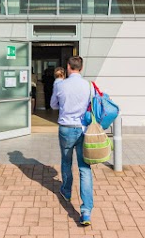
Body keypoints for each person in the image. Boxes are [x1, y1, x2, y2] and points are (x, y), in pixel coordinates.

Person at [50, 56, 93, 226]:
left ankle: (66, 191)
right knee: (85, 168)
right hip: (83, 130)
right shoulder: (89, 86)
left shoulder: (60, 85)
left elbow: (53, 105)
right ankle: (86, 211)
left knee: (66, 162)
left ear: (68, 67)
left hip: (66, 128)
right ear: (81, 68)